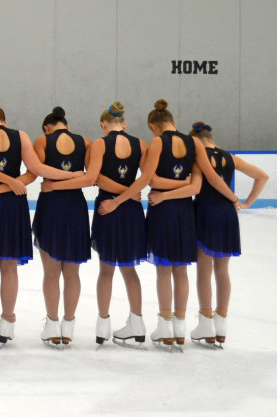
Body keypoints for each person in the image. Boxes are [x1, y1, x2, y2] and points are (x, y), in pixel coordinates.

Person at [0, 100, 81, 347]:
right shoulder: (22, 136)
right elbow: (36, 170)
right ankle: (8, 323)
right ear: (4, 121)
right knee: (9, 267)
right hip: (14, 203)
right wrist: (70, 175)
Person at [127, 100, 238, 349]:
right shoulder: (193, 143)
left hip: (162, 210)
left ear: (152, 126)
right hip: (185, 211)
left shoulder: (157, 142)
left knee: (164, 269)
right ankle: (180, 326)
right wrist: (233, 198)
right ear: (174, 123)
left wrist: (123, 198)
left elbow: (148, 178)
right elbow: (203, 182)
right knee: (181, 270)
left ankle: (166, 325)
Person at [188, 122, 268, 347]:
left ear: (195, 138)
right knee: (222, 270)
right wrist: (247, 203)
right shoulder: (231, 158)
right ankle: (221, 322)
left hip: (205, 211)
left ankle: (206, 322)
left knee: (204, 270)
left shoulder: (197, 157)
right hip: (227, 214)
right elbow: (262, 176)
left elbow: (205, 181)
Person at [82, 102, 150, 347]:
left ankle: (103, 324)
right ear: (125, 124)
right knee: (129, 269)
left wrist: (116, 198)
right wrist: (129, 193)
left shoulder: (100, 143)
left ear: (103, 125)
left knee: (107, 269)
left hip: (107, 208)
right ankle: (138, 322)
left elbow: (95, 178)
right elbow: (147, 176)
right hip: (131, 209)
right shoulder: (140, 144)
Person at [30, 107, 92, 347]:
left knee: (52, 272)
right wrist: (72, 177)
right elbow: (89, 176)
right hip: (75, 207)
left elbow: (37, 171)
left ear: (47, 128)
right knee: (72, 273)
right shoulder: (84, 142)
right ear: (66, 125)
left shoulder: (42, 140)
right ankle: (68, 325)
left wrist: (56, 182)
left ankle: (53, 324)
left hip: (52, 206)